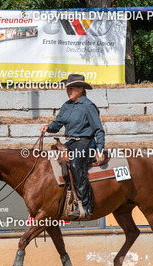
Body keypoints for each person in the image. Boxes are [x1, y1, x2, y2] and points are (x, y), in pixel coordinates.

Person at [41, 74, 105, 219]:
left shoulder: (88, 106)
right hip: (70, 142)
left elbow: (99, 130)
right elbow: (57, 124)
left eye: (72, 88)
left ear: (81, 89)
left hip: (85, 142)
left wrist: (99, 150)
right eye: (67, 88)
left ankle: (85, 206)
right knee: (52, 162)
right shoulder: (66, 105)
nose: (68, 91)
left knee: (76, 165)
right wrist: (48, 127)